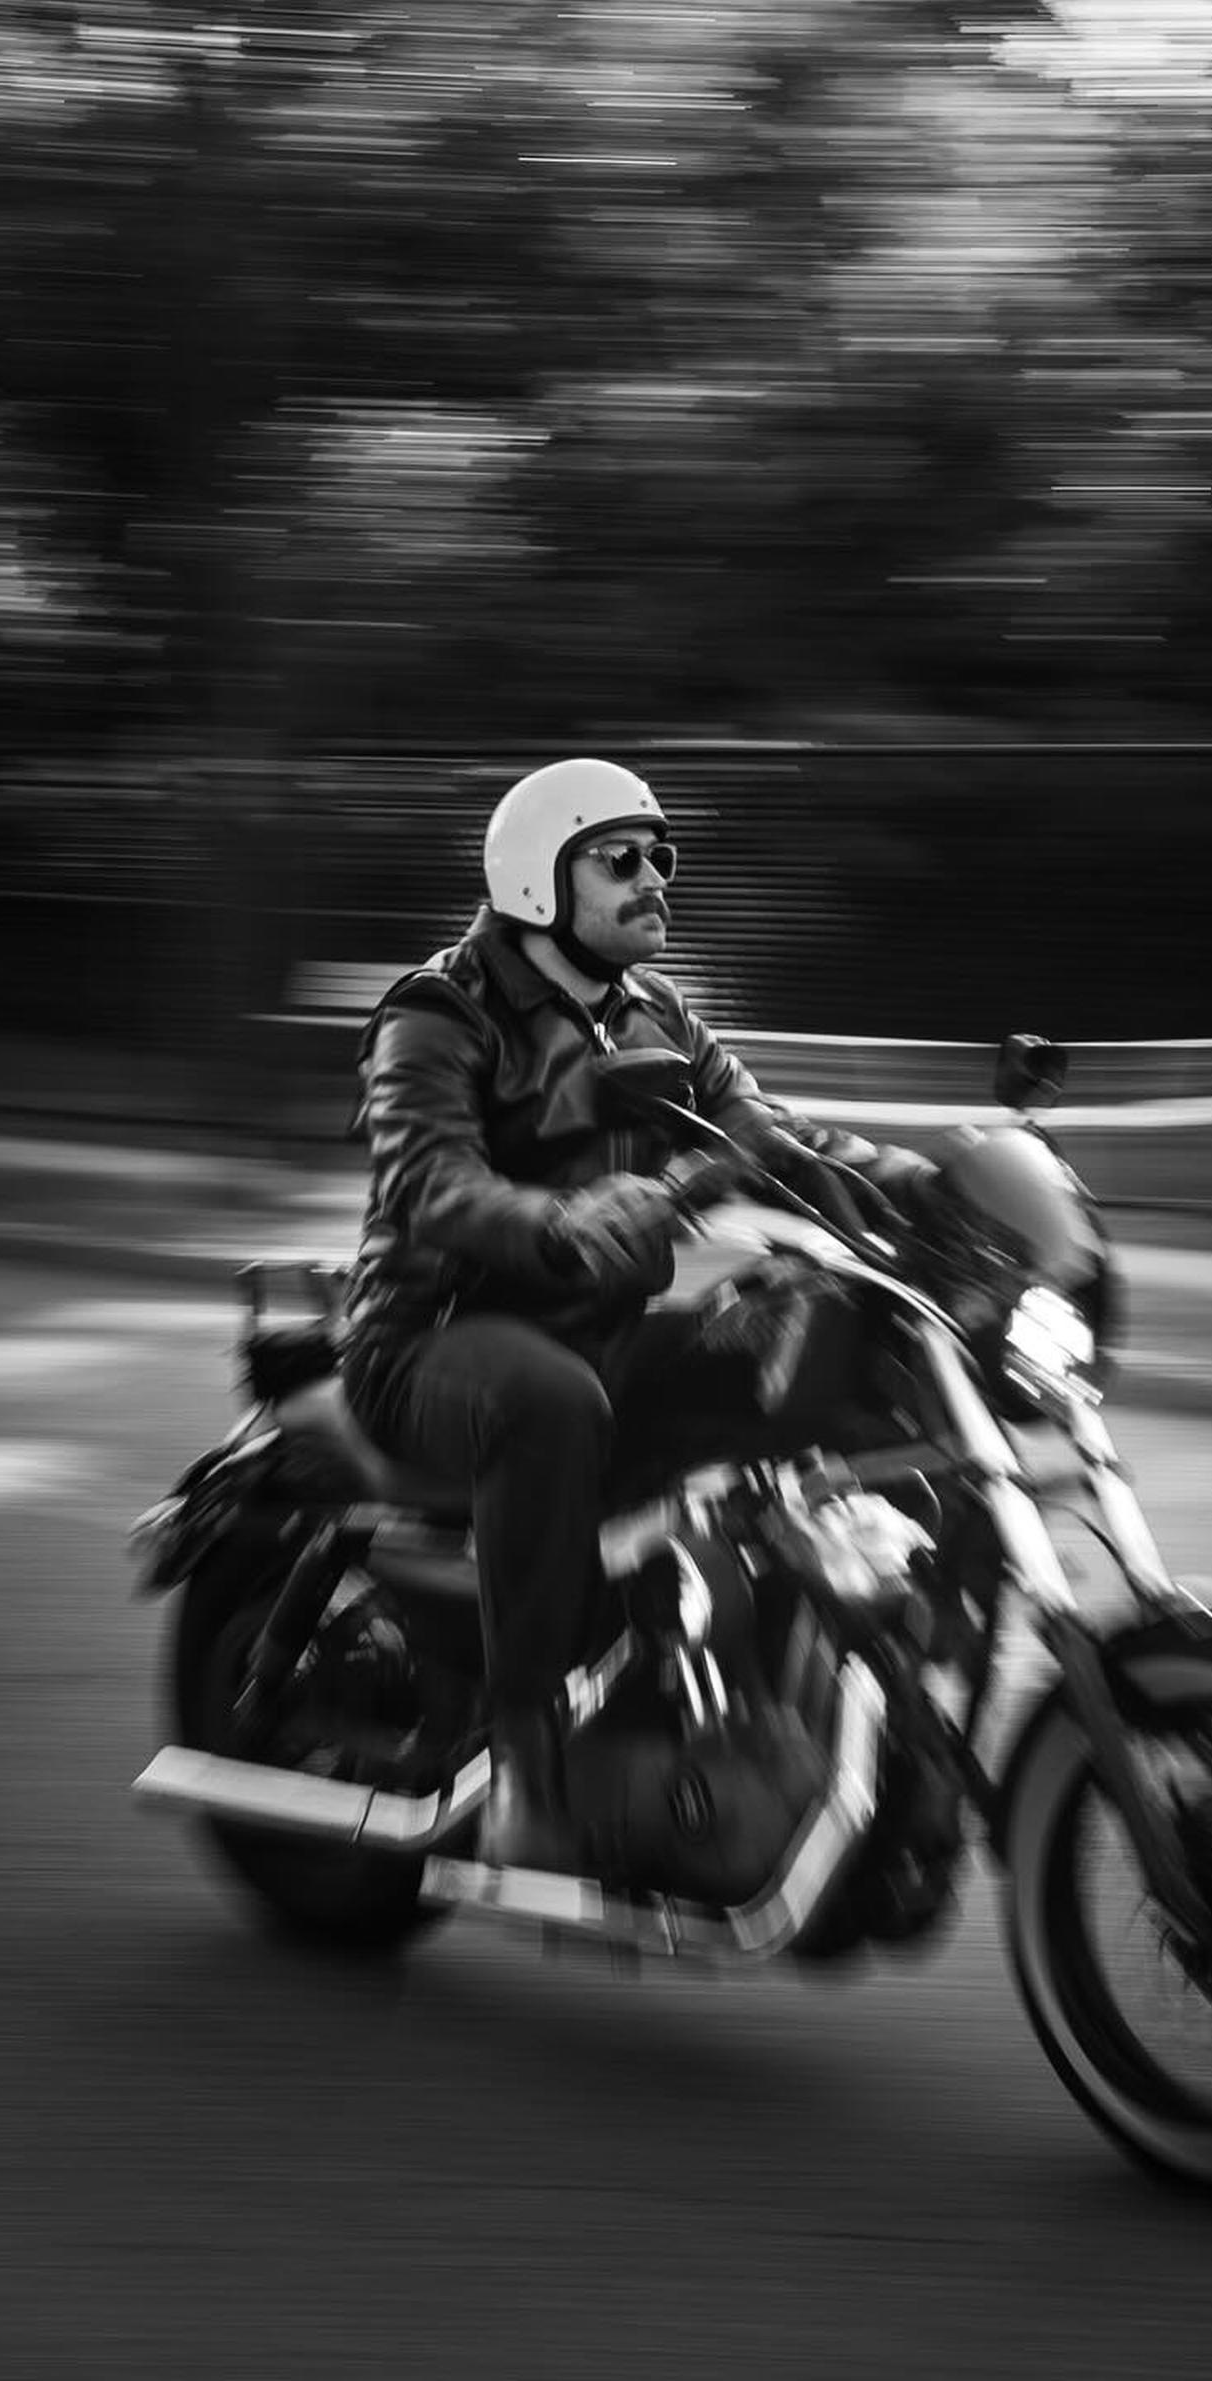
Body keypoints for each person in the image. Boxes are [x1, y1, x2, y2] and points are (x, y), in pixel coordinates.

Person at [337, 757, 936, 1872]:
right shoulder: (439, 1011)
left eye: (662, 856)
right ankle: (527, 1767)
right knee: (550, 1402)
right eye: (621, 859)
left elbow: (766, 1130)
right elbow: (430, 1181)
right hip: (431, 1342)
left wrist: (916, 1180)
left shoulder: (653, 1009)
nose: (655, 877)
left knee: (798, 1346)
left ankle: (770, 1691)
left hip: (598, 1331)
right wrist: (557, 1222)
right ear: (539, 878)